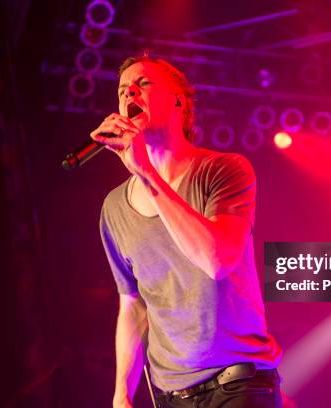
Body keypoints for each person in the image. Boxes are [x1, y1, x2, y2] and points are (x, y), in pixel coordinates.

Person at [91, 54, 282, 408]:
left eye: (143, 83)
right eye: (122, 90)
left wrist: (146, 174)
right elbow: (132, 304)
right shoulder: (114, 208)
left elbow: (217, 261)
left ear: (179, 99)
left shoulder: (223, 171)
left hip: (237, 382)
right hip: (170, 395)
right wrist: (121, 394)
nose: (129, 92)